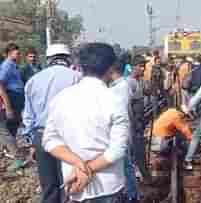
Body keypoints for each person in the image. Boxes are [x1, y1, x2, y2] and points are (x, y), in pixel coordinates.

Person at [42, 43, 129, 203]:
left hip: (74, 187)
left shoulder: (61, 98)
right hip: (108, 188)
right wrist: (86, 169)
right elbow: (117, 150)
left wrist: (78, 164)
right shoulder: (114, 100)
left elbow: (49, 140)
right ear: (111, 68)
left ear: (80, 66)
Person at [22, 44, 81, 203]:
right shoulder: (77, 78)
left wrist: (32, 142)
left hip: (42, 135)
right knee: (72, 184)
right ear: (67, 58)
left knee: (49, 187)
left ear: (48, 60)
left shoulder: (33, 81)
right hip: (69, 136)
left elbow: (28, 117)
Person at [108, 58, 139, 202]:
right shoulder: (123, 85)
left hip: (121, 130)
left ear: (112, 71)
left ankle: (132, 195)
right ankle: (131, 193)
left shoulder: (119, 87)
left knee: (126, 164)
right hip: (125, 129)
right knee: (126, 163)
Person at [127, 55, 152, 185]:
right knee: (135, 152)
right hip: (133, 125)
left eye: (144, 66)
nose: (143, 69)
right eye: (140, 66)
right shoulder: (129, 83)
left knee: (139, 151)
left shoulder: (140, 81)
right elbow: (128, 106)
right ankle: (138, 177)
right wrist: (133, 124)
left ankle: (142, 175)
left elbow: (148, 92)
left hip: (139, 123)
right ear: (133, 67)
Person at [0, 43, 25, 154]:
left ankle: (7, 148)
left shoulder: (14, 65)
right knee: (10, 125)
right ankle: (13, 151)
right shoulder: (7, 65)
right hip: (12, 97)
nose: (20, 56)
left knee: (14, 124)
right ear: (10, 54)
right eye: (17, 54)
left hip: (17, 97)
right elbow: (1, 82)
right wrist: (7, 103)